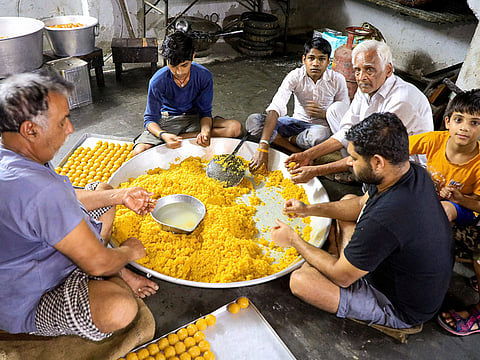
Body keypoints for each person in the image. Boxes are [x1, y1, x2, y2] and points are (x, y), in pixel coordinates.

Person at [0, 71, 159, 340]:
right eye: (62, 122)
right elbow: (98, 263)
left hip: (30, 253)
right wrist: (129, 252)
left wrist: (121, 196)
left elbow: (66, 200)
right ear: (30, 129)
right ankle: (111, 279)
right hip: (24, 295)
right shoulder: (41, 191)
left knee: (107, 193)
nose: (71, 129)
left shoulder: (14, 152)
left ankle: (103, 262)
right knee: (119, 308)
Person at [271, 112, 453, 330]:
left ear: (378, 162)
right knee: (348, 199)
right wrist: (308, 210)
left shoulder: (387, 218)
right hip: (398, 267)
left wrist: (293, 240)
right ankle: (341, 256)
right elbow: (359, 205)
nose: (348, 162)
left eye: (355, 159)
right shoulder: (411, 172)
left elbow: (342, 278)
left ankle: (386, 318)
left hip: (400, 306)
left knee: (302, 281)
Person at [285, 40, 433, 184]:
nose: (361, 77)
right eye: (357, 70)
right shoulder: (366, 87)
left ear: (388, 70)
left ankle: (358, 174)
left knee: (365, 162)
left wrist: (316, 170)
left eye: (369, 69)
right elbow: (347, 130)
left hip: (404, 167)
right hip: (373, 147)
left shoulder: (401, 100)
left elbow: (369, 152)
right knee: (335, 110)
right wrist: (307, 155)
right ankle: (354, 169)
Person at [411, 89, 480, 336]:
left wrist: (462, 198)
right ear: (448, 121)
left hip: (467, 211)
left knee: (443, 211)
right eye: (459, 119)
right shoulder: (435, 141)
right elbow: (399, 148)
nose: (465, 128)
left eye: (475, 123)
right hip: (435, 203)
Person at [247, 36, 350, 173]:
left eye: (321, 59)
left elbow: (345, 111)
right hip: (293, 122)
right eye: (311, 58)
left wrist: (323, 113)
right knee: (254, 121)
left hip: (317, 129)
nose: (315, 63)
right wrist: (262, 146)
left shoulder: (338, 79)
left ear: (329, 62)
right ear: (304, 60)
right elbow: (276, 106)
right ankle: (294, 148)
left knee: (320, 135)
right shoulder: (294, 76)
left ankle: (283, 140)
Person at [132, 31, 242, 156]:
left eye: (184, 65)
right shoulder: (158, 81)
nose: (179, 72)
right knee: (139, 151)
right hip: (169, 120)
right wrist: (163, 134)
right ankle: (174, 139)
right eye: (173, 65)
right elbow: (150, 120)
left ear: (193, 56)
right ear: (167, 60)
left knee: (235, 128)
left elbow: (205, 112)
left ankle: (180, 138)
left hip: (194, 119)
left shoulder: (203, 76)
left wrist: (205, 132)